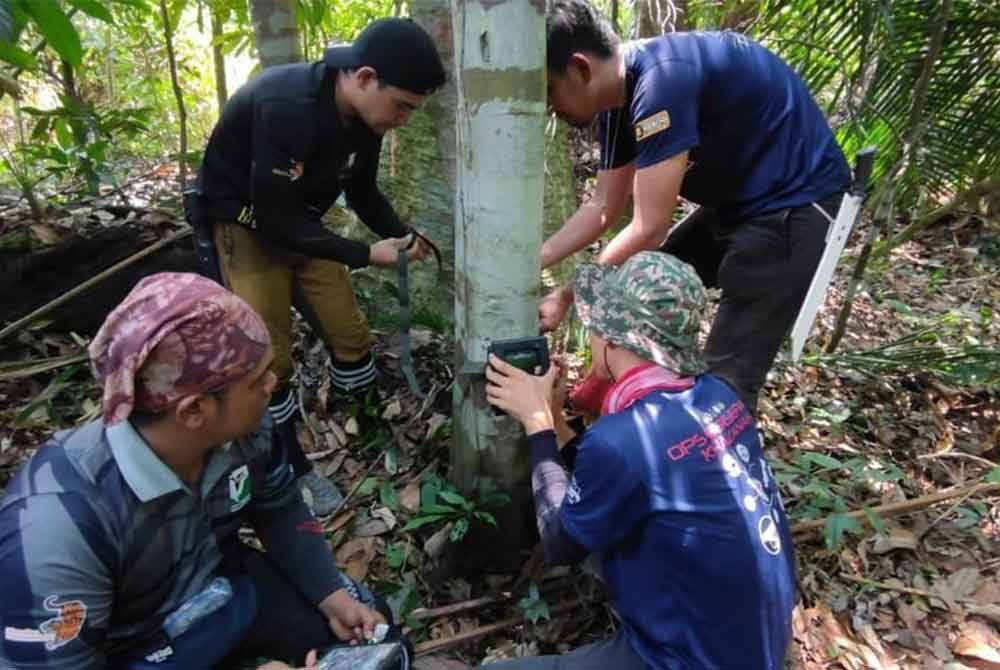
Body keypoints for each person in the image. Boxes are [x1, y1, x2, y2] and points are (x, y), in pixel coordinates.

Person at [0, 273, 394, 670]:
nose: (272, 384)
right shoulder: (57, 529)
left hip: (221, 590)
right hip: (132, 648)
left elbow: (279, 507)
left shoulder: (246, 432)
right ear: (193, 410)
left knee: (375, 638)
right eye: (257, 380)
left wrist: (330, 594)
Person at [484, 252, 796, 669]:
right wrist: (556, 423)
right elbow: (630, 477)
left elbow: (560, 544)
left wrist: (537, 424)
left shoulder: (623, 439)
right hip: (755, 639)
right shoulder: (718, 396)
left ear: (612, 338)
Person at [538, 0, 851, 411]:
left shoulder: (661, 83)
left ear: (580, 68)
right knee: (636, 293)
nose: (549, 107)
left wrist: (567, 294)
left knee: (727, 381)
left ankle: (708, 442)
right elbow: (602, 207)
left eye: (549, 90)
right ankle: (612, 397)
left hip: (796, 205)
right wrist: (534, 261)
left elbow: (650, 228)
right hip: (738, 202)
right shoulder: (616, 99)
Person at [194, 17, 447, 513]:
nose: (403, 119)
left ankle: (365, 421)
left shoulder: (365, 117)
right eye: (401, 105)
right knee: (269, 359)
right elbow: (274, 219)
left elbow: (362, 190)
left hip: (304, 221)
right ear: (365, 78)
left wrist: (402, 234)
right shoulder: (287, 106)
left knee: (349, 332)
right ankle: (290, 465)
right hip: (247, 224)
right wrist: (364, 254)